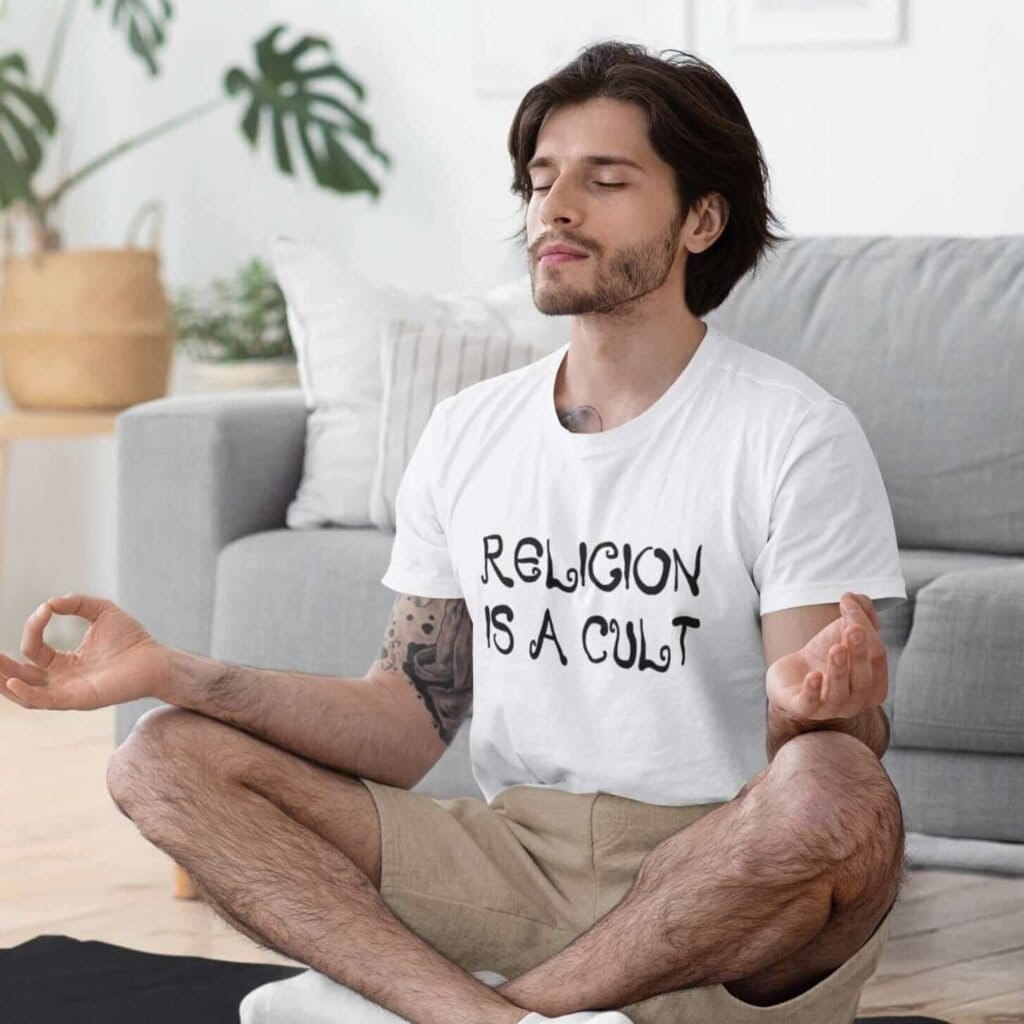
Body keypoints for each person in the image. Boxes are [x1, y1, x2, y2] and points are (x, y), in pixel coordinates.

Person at [1, 41, 909, 1024]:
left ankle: (418, 1006)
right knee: (158, 755)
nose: (553, 209)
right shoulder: (469, 429)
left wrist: (820, 712)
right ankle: (493, 1016)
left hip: (710, 883)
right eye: (541, 180)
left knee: (837, 786)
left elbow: (822, 764)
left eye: (604, 181)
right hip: (506, 857)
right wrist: (174, 672)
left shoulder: (790, 432)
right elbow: (403, 721)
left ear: (700, 218)